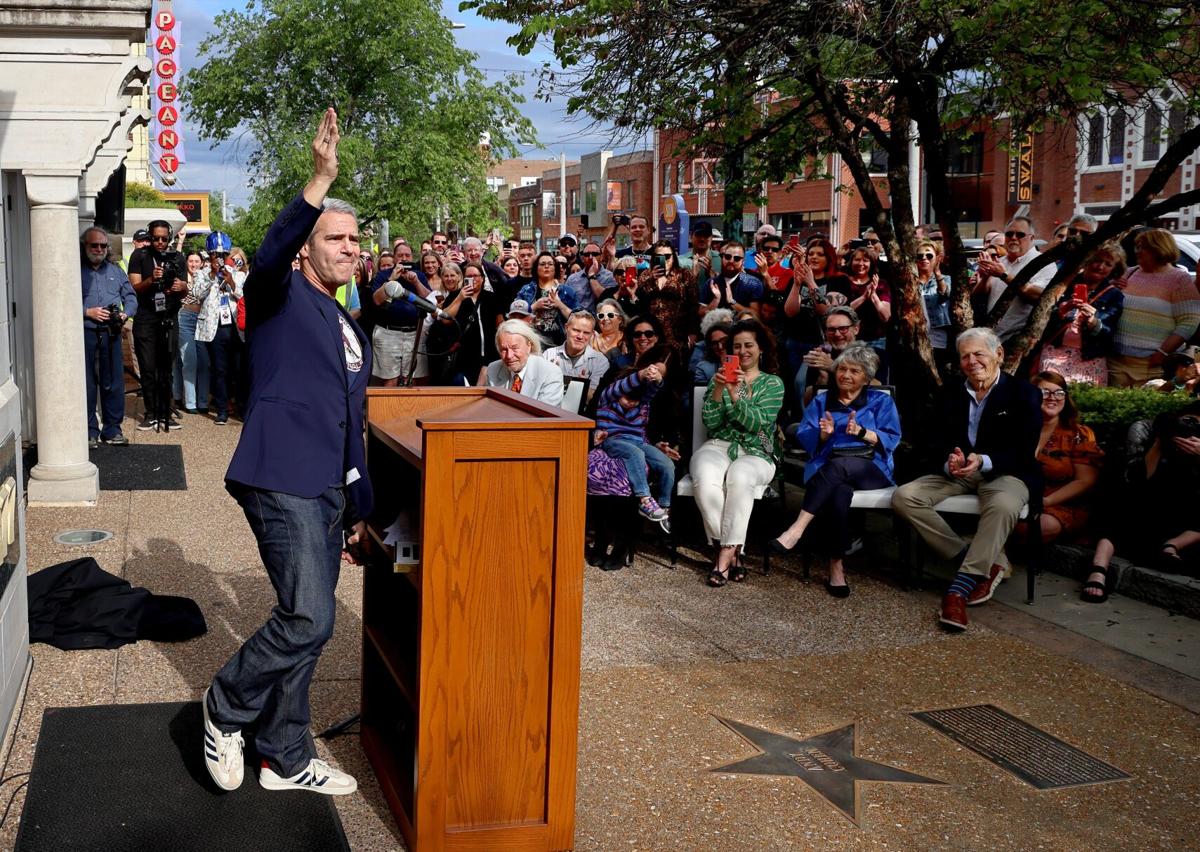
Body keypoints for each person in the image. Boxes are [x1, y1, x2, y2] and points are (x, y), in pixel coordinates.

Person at [204, 108, 367, 797]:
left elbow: (350, 419)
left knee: (310, 628)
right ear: (307, 246)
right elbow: (267, 253)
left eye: (356, 239)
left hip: (328, 489)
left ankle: (284, 754)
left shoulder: (343, 315)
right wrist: (319, 180)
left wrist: (361, 506)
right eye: (335, 237)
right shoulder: (275, 293)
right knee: (308, 616)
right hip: (281, 478)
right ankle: (225, 708)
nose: (350, 247)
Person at [891, 328, 1042, 632]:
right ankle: (974, 562)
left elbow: (1023, 450)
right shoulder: (949, 393)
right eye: (965, 356)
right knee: (904, 497)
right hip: (958, 472)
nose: (972, 361)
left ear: (998, 355)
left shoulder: (1024, 393)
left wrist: (983, 460)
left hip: (1004, 471)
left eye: (979, 354)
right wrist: (949, 460)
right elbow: (930, 441)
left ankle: (958, 589)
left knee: (1003, 505)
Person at [770, 344, 901, 596]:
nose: (846, 375)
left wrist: (862, 433)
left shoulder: (880, 401)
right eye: (842, 369)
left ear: (866, 377)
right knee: (839, 492)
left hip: (871, 468)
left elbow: (893, 438)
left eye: (854, 371)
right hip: (827, 467)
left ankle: (796, 529)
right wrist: (822, 434)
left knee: (839, 467)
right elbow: (805, 438)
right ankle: (836, 566)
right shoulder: (822, 401)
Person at [690, 318, 785, 586]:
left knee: (740, 476)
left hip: (757, 450)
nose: (743, 351)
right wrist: (720, 388)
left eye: (749, 345)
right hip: (720, 445)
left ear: (761, 348)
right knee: (704, 475)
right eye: (737, 346)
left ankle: (723, 556)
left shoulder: (772, 383)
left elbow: (757, 423)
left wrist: (736, 395)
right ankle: (733, 552)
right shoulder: (717, 378)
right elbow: (711, 423)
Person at [1083, 403, 1200, 601]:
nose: (1191, 427)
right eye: (1189, 420)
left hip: (1183, 517)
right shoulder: (1150, 431)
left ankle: (1171, 546)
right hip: (1143, 507)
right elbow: (1139, 479)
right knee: (1120, 507)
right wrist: (1160, 442)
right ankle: (1099, 568)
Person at [1017, 371, 1103, 547]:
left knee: (1029, 527)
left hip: (1062, 504)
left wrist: (1045, 501)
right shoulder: (1019, 429)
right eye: (1045, 392)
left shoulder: (1079, 435)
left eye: (1059, 393)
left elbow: (1084, 481)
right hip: (1018, 498)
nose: (1053, 398)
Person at [1108, 228, 1200, 387]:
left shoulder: (1179, 279)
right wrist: (1111, 287)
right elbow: (1109, 305)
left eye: (1142, 247)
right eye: (1137, 247)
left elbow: (1189, 321)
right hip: (1116, 363)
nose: (1137, 252)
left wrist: (1163, 352)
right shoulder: (1130, 272)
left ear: (1159, 248)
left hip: (1151, 366)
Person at [595, 350, 675, 524]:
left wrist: (658, 379)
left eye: (635, 400)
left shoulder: (643, 401)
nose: (631, 403)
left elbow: (653, 389)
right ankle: (644, 499)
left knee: (667, 464)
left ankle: (664, 507)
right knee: (634, 454)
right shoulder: (609, 396)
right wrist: (641, 374)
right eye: (628, 398)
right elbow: (621, 387)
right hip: (613, 440)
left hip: (638, 441)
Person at [127, 219, 188, 431]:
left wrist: (181, 287)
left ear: (169, 238)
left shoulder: (177, 257)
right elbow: (134, 287)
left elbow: (185, 289)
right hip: (146, 317)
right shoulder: (140, 255)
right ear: (150, 237)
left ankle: (165, 411)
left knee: (166, 368)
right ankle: (151, 412)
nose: (160, 242)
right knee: (148, 367)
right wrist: (152, 279)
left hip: (169, 316)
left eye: (164, 238)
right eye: (156, 238)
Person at [81, 226, 137, 448]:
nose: (99, 249)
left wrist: (126, 313)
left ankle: (112, 430)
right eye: (94, 245)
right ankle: (88, 432)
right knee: (85, 384)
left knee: (113, 383)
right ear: (85, 246)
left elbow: (131, 297)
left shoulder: (116, 271)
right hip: (85, 332)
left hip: (111, 333)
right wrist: (87, 312)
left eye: (103, 245)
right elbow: (60, 301)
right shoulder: (74, 270)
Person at [1039, 242, 1126, 385]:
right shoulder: (1065, 284)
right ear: (1088, 260)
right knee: (1051, 393)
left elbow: (1109, 332)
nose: (1100, 266)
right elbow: (1041, 318)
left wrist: (1093, 322)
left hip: (1090, 357)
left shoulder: (1114, 295)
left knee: (1085, 400)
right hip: (1055, 352)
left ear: (1114, 269)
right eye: (1097, 260)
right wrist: (1063, 309)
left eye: (1108, 264)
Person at [972, 216, 1056, 343]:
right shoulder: (1000, 261)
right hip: (992, 337)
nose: (1013, 238)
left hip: (1020, 340)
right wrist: (985, 277)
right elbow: (978, 297)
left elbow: (1039, 295)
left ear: (1032, 238)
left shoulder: (1044, 263)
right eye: (1009, 234)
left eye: (1020, 234)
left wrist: (1003, 275)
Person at [193, 239, 246, 425]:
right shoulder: (202, 274)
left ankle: (241, 408)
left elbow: (244, 296)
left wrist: (231, 282)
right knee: (220, 370)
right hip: (214, 329)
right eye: (216, 254)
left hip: (235, 328)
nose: (220, 258)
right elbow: (197, 294)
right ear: (210, 255)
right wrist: (212, 276)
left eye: (224, 255)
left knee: (239, 370)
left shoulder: (238, 275)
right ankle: (222, 410)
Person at [481, 318, 565, 405]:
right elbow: (490, 408)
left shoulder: (550, 373)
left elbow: (545, 415)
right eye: (504, 349)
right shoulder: (493, 369)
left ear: (529, 345)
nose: (509, 356)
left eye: (515, 348)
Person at [829, 247, 891, 359]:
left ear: (871, 263)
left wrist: (873, 295)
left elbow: (885, 316)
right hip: (846, 339)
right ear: (851, 261)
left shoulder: (881, 284)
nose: (861, 263)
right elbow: (839, 312)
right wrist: (863, 298)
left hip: (875, 340)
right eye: (857, 259)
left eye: (865, 260)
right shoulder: (843, 281)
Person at [796, 306, 864, 405]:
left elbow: (881, 389)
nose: (837, 334)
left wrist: (833, 367)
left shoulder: (873, 354)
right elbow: (808, 402)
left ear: (856, 329)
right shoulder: (821, 357)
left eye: (843, 329)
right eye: (831, 329)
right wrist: (822, 378)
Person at [174, 249, 210, 415]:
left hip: (202, 320)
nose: (194, 264)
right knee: (189, 360)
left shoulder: (205, 276)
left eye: (197, 261)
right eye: (191, 261)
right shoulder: (181, 277)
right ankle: (190, 402)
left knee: (204, 362)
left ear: (201, 262)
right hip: (185, 319)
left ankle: (203, 401)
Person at [544, 311, 611, 399]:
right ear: (566, 328)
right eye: (576, 330)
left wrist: (583, 386)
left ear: (592, 334)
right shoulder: (549, 355)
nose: (580, 336)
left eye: (586, 333)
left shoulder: (600, 362)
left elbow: (594, 399)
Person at [517, 252, 577, 345]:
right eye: (542, 264)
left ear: (555, 268)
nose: (546, 266)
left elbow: (578, 319)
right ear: (536, 268)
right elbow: (515, 317)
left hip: (560, 342)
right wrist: (534, 306)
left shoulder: (567, 292)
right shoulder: (526, 290)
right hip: (532, 341)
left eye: (550, 264)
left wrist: (560, 305)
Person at [699, 241, 763, 319]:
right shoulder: (711, 283)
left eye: (737, 258)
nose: (731, 261)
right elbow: (700, 314)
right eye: (727, 257)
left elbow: (756, 315)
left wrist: (733, 302)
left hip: (741, 329)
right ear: (722, 258)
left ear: (743, 262)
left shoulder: (753, 283)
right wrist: (715, 301)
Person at [915, 240, 952, 370]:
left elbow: (944, 294)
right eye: (920, 256)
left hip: (938, 338)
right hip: (915, 338)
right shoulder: (910, 281)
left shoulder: (946, 279)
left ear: (937, 258)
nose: (924, 258)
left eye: (929, 255)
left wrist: (937, 273)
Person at [564, 241, 615, 313]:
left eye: (595, 254)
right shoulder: (572, 279)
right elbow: (565, 303)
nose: (591, 257)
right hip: (578, 321)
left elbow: (607, 300)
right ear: (582, 258)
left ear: (601, 257)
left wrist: (592, 276)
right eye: (587, 254)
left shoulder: (611, 277)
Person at [689, 309, 733, 386]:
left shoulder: (745, 361)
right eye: (715, 343)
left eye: (724, 341)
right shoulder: (703, 368)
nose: (720, 346)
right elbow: (701, 395)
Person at [678, 221, 721, 295]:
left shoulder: (721, 259)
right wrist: (692, 276)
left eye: (706, 236)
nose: (702, 239)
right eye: (698, 235)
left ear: (711, 238)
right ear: (691, 237)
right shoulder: (680, 261)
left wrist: (713, 277)